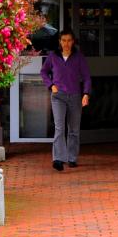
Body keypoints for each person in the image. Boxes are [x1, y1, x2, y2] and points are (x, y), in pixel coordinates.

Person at [39, 29, 91, 171]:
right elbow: (43, 72)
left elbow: (86, 77)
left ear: (73, 42)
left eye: (69, 40)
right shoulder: (53, 56)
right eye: (64, 40)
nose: (66, 43)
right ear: (59, 42)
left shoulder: (79, 57)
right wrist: (51, 85)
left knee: (73, 130)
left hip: (75, 96)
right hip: (58, 97)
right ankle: (58, 159)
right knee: (59, 128)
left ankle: (72, 158)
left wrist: (86, 94)